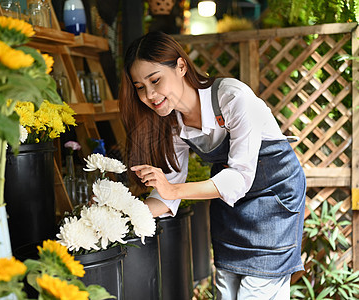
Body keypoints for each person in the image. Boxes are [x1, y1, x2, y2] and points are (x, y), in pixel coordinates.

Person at [119, 31, 306, 299]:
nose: (149, 94)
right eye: (139, 87)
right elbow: (165, 198)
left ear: (181, 66)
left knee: (256, 293)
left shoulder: (234, 97)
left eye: (155, 80)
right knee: (225, 291)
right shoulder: (175, 126)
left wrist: (173, 191)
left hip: (274, 199)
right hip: (230, 206)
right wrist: (118, 215)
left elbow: (239, 178)